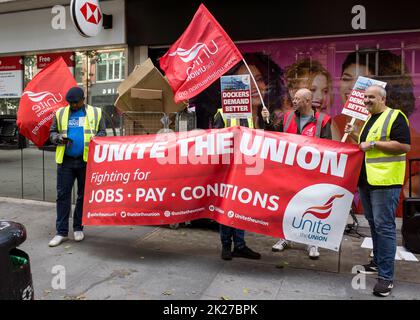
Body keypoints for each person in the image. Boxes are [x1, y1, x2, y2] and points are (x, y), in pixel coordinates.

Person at [345, 85, 410, 297]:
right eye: (364, 97)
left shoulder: (395, 116)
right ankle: (376, 262)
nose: (366, 101)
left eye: (370, 97)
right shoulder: (369, 120)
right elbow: (366, 147)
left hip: (385, 182)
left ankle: (386, 278)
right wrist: (355, 135)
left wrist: (371, 143)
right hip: (367, 181)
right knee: (374, 225)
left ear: (382, 98)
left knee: (385, 228)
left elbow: (403, 146)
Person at [262, 88, 332, 259]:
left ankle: (312, 242)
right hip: (290, 171)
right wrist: (267, 120)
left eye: (297, 99)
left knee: (312, 206)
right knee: (287, 204)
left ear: (308, 101)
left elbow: (329, 147)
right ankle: (285, 237)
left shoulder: (323, 120)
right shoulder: (287, 117)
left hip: (312, 173)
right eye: (294, 99)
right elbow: (275, 134)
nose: (293, 102)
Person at [48, 87, 106, 247]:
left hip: (85, 161)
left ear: (83, 99)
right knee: (62, 196)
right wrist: (59, 138)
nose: (73, 105)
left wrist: (96, 138)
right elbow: (52, 133)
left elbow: (102, 133)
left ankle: (78, 228)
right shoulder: (60, 113)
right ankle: (61, 232)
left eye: (76, 102)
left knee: (82, 196)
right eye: (70, 103)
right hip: (66, 161)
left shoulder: (96, 112)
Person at [193, 52, 290, 129]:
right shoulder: (222, 116)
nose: (254, 86)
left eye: (259, 79)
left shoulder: (273, 117)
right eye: (245, 81)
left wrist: (267, 121)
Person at [284, 58, 341, 140]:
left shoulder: (326, 123)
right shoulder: (286, 120)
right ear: (292, 92)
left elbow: (337, 151)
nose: (320, 97)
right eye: (312, 90)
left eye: (325, 91)